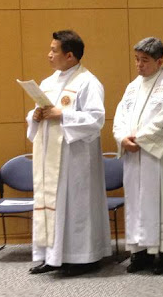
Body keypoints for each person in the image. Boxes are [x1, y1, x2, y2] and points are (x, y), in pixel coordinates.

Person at [26, 30, 111, 276]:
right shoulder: (48, 82)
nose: (49, 54)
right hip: (49, 158)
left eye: (54, 50)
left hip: (76, 159)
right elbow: (40, 113)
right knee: (52, 205)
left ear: (70, 56)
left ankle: (83, 258)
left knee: (76, 206)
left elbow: (96, 119)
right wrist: (36, 115)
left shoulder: (88, 82)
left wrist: (62, 114)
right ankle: (52, 257)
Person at [113, 37, 163, 275]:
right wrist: (122, 138)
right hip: (135, 157)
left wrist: (140, 139)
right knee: (137, 203)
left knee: (162, 202)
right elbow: (120, 116)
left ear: (159, 61)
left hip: (160, 158)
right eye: (137, 59)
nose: (139, 65)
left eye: (144, 60)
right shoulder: (133, 86)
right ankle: (141, 253)